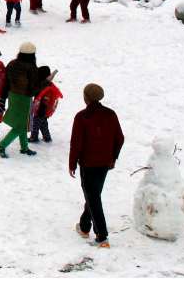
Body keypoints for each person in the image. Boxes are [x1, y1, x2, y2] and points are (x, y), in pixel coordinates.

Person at [69, 83, 124, 249]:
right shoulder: (111, 114)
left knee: (93, 196)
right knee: (93, 194)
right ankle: (84, 226)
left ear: (86, 97)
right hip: (105, 163)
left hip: (88, 164)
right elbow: (120, 138)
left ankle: (102, 236)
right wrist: (113, 157)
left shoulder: (82, 117)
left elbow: (76, 143)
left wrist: (72, 163)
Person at [0, 41, 39, 158]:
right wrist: (46, 82)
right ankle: (1, 146)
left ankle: (24, 147)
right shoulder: (31, 67)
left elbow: (6, 81)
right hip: (24, 98)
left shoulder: (12, 64)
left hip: (12, 95)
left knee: (22, 123)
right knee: (20, 126)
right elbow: (33, 88)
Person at [29, 66, 62, 144]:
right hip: (43, 111)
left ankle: (34, 137)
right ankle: (47, 137)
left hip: (41, 110)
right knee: (43, 124)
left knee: (35, 124)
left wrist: (41, 111)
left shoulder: (47, 88)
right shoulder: (43, 84)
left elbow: (45, 100)